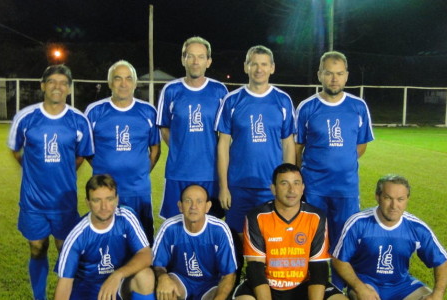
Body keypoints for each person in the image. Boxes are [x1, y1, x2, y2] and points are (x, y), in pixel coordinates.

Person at [7, 64, 94, 300]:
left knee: (66, 251)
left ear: (69, 88)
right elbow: (16, 151)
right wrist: (34, 170)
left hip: (63, 201)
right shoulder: (26, 118)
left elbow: (82, 155)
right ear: (43, 85)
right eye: (53, 82)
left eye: (63, 83)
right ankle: (39, 297)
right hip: (33, 201)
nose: (58, 86)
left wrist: (64, 170)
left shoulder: (78, 120)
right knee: (37, 247)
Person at [294, 51, 374, 288]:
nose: (334, 78)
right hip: (314, 188)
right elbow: (297, 148)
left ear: (346, 76)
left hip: (346, 189)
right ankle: (310, 286)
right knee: (312, 240)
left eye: (339, 73)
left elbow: (361, 146)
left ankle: (339, 288)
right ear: (320, 74)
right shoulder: (307, 107)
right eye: (328, 73)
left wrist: (341, 164)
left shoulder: (358, 106)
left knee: (343, 242)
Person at [215, 45, 296, 236]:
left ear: (272, 68)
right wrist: (224, 187)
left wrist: (287, 183)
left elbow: (288, 145)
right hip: (238, 185)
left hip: (271, 186)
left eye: (264, 64)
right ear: (246, 67)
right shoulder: (232, 101)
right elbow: (223, 146)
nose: (259, 69)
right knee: (236, 239)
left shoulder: (283, 100)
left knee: (271, 239)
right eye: (254, 64)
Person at [233, 163, 346, 300]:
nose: (292, 190)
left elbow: (319, 267)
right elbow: (255, 268)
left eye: (296, 183)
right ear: (273, 189)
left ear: (303, 188)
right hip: (267, 284)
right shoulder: (257, 217)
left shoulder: (316, 217)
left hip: (305, 284)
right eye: (284, 183)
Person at [332, 175, 447, 300]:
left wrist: (437, 293)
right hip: (367, 283)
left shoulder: (416, 228)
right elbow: (338, 259)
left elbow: (443, 261)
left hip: (402, 285)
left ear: (407, 199)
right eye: (388, 198)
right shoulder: (358, 223)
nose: (394, 206)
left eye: (400, 199)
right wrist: (359, 287)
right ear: (377, 197)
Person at [85, 60, 161, 245]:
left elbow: (155, 148)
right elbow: (86, 149)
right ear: (110, 83)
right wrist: (102, 168)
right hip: (105, 192)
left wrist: (141, 170)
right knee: (106, 242)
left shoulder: (148, 112)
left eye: (128, 79)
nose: (123, 83)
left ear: (135, 83)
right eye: (118, 78)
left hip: (139, 191)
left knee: (142, 242)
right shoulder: (94, 112)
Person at [156, 36, 228, 220]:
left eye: (201, 57)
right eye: (191, 56)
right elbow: (164, 127)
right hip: (178, 172)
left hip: (210, 173)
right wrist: (181, 148)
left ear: (209, 61)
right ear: (183, 59)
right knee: (174, 224)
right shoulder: (171, 90)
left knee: (210, 225)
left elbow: (227, 133)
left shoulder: (220, 91)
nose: (196, 61)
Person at [55, 174, 155, 300]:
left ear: (117, 199)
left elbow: (146, 255)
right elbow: (65, 283)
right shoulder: (77, 235)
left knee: (146, 276)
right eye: (97, 200)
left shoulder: (126, 218)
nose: (104, 207)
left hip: (117, 285)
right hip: (87, 290)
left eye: (109, 199)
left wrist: (117, 275)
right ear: (88, 202)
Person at [152, 184, 237, 300]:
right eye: (188, 201)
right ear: (180, 206)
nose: (193, 206)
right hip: (181, 280)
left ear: (208, 206)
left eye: (199, 201)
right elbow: (157, 265)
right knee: (167, 290)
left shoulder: (220, 230)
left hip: (211, 284)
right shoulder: (169, 227)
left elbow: (229, 274)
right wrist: (162, 277)